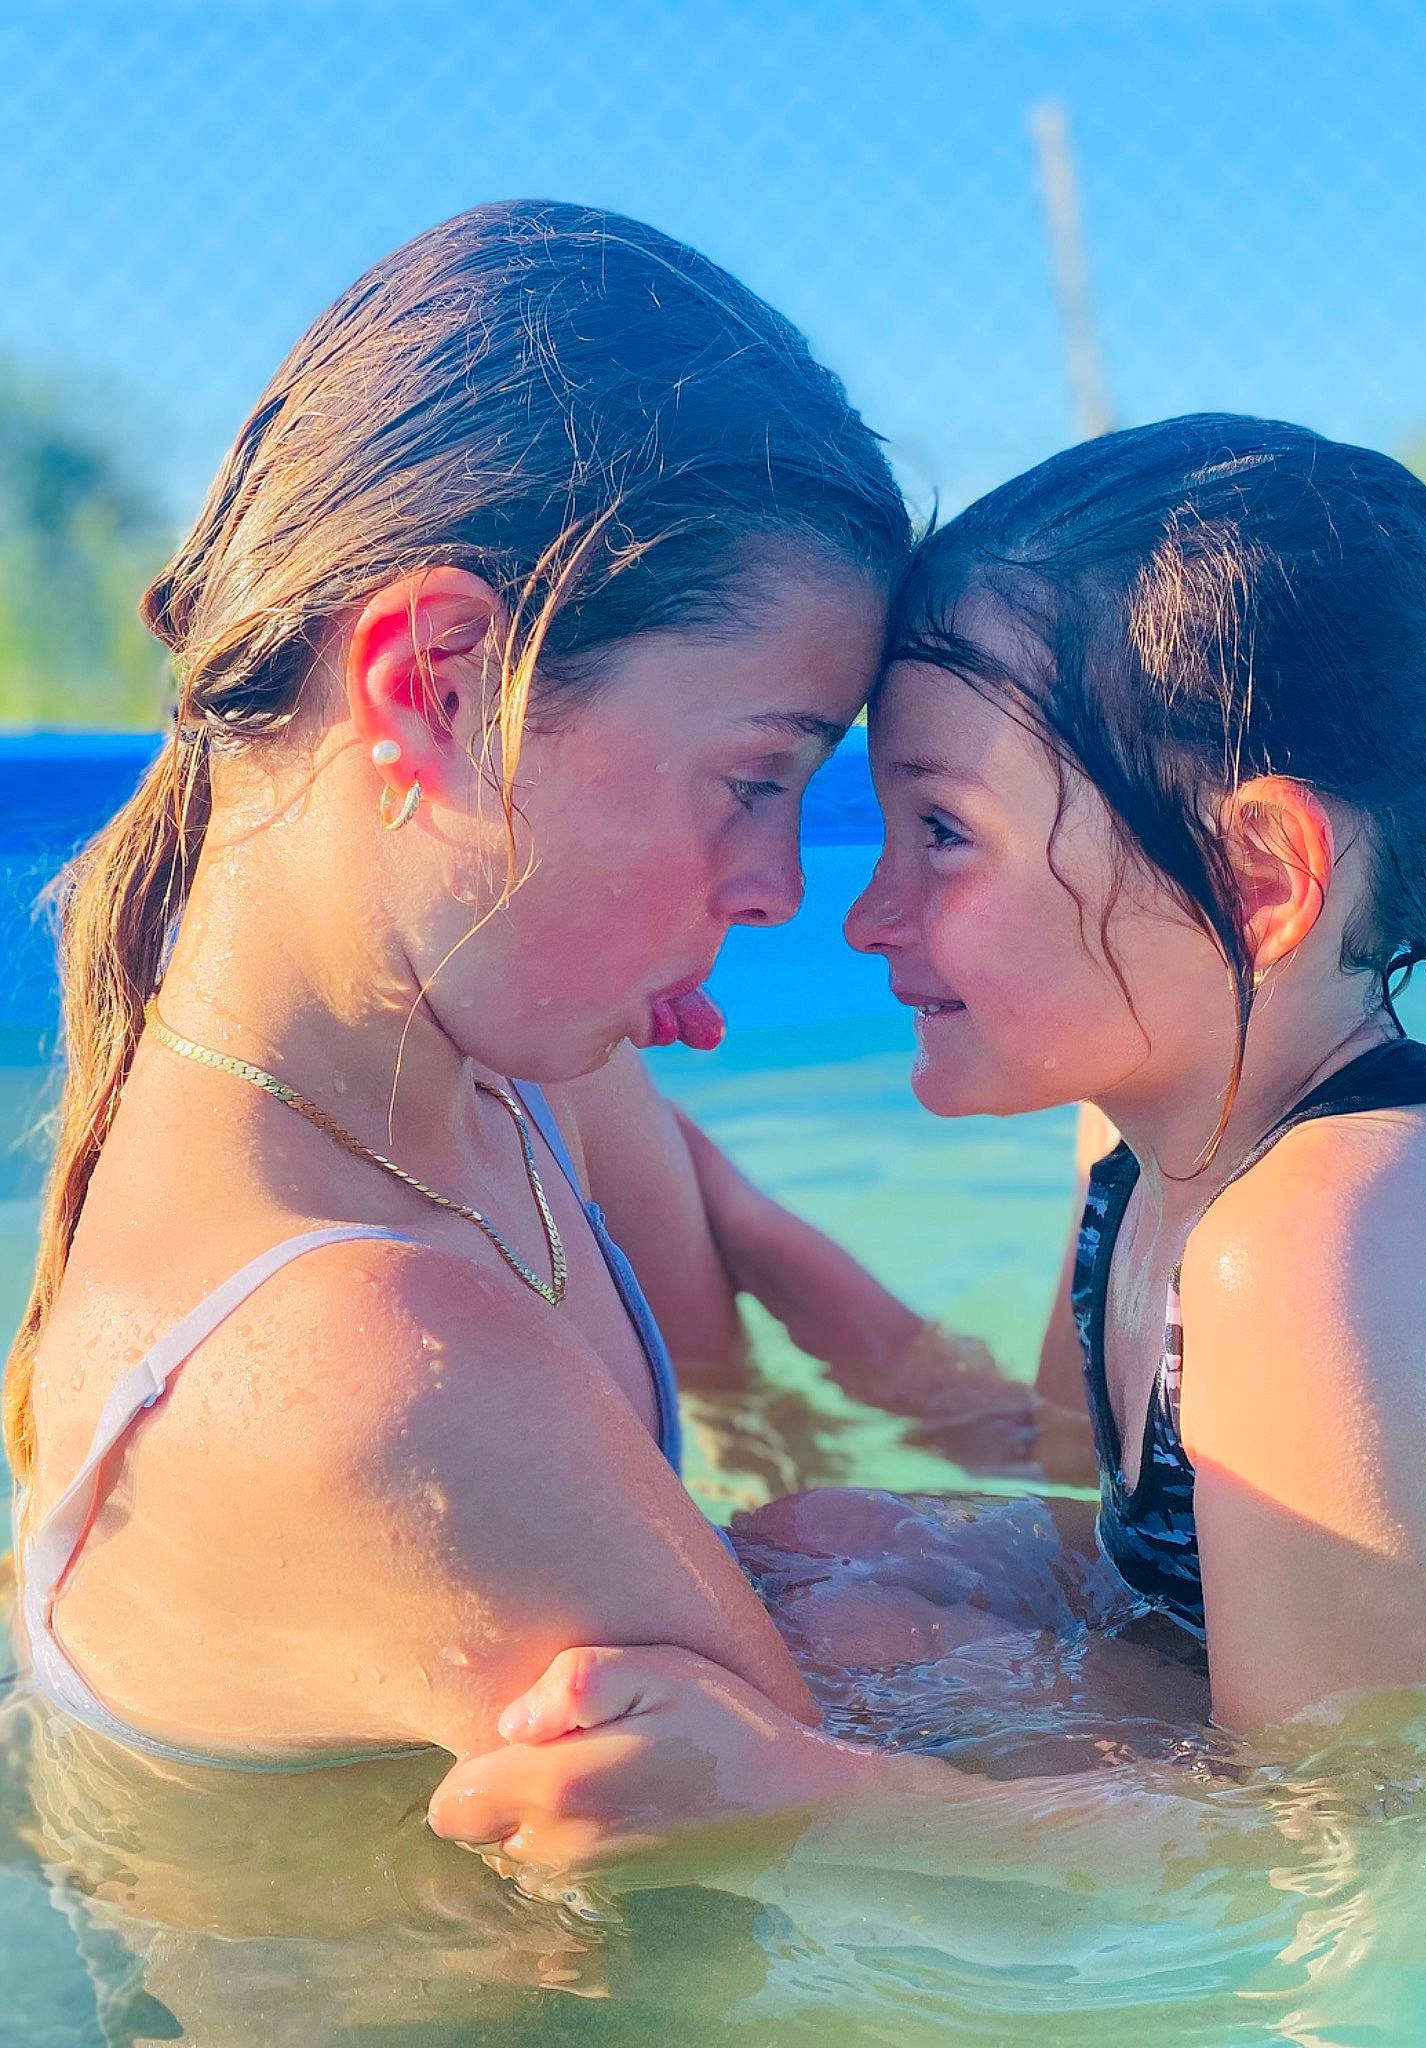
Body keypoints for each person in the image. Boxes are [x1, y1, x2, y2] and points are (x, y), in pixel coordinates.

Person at [430, 416, 1426, 1870]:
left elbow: (1354, 1854)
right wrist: (742, 1248)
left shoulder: (1326, 1236)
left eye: (942, 832)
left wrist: (802, 1799)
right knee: (815, 1556)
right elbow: (1073, 1472)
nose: (863, 917)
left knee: (838, 1665)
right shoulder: (1149, 1150)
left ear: (1256, 876)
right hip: (1377, 1746)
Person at [4, 198, 1055, 1770]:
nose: (783, 890)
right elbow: (879, 1857)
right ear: (439, 689)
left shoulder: (498, 1075)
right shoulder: (365, 1362)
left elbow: (732, 1295)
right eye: (753, 779)